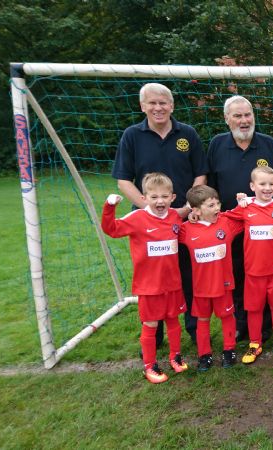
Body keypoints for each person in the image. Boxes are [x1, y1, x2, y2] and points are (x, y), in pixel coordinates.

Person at [112, 83, 207, 346]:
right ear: (142, 106)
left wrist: (187, 207)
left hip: (184, 218)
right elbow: (123, 180)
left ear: (172, 105)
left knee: (187, 275)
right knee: (153, 280)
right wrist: (149, 209)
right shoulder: (132, 136)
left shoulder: (187, 133)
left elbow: (200, 173)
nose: (158, 108)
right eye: (152, 103)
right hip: (147, 225)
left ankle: (192, 330)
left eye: (163, 103)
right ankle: (154, 337)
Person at [207, 95, 273, 345]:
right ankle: (241, 324)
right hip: (232, 226)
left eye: (248, 115)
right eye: (238, 116)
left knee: (267, 276)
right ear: (227, 119)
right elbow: (210, 186)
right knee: (234, 275)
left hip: (264, 227)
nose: (244, 121)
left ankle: (266, 327)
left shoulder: (268, 145)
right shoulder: (216, 145)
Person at [101, 172, 189, 384]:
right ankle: (149, 366)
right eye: (154, 197)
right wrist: (109, 207)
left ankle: (175, 357)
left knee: (173, 321)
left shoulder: (175, 217)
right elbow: (110, 229)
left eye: (164, 197)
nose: (160, 201)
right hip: (149, 286)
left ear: (172, 197)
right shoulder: (137, 218)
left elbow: (184, 233)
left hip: (173, 283)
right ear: (144, 198)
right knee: (150, 324)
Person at [222, 166, 273, 364]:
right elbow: (221, 219)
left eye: (272, 184)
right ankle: (255, 343)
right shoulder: (245, 208)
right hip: (253, 270)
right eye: (262, 184)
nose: (267, 188)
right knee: (254, 308)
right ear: (252, 186)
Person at [179, 185, 243, 371]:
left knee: (227, 316)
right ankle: (204, 354)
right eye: (210, 205)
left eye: (217, 203)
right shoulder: (186, 229)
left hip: (224, 285)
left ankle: (229, 350)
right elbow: (168, 228)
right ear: (196, 210)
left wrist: (243, 202)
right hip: (201, 288)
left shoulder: (226, 223)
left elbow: (246, 218)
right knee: (202, 320)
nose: (216, 208)